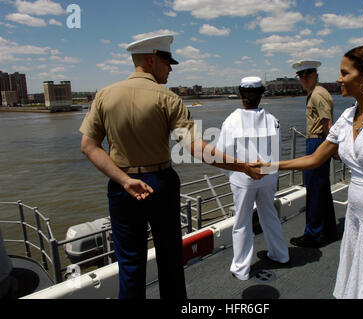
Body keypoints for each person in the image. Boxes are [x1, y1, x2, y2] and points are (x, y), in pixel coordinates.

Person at [79, 34, 261, 299]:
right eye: (167, 61)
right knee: (170, 258)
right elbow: (196, 149)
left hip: (122, 187)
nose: (171, 68)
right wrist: (242, 166)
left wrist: (124, 180)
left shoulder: (104, 96)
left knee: (129, 263)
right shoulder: (168, 99)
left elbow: (89, 146)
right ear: (152, 60)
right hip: (160, 183)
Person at [255, 45, 363, 298]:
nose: (338, 79)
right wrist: (268, 166)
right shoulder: (347, 117)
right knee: (359, 283)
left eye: (344, 73)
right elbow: (315, 159)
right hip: (357, 215)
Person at [215, 77, 290, 280]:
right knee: (270, 217)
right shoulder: (273, 120)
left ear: (240, 94)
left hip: (242, 179)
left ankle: (241, 268)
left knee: (242, 222)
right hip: (268, 176)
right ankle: (281, 254)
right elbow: (277, 153)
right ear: (261, 94)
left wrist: (233, 175)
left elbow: (222, 155)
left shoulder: (231, 121)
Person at [289, 60, 337, 248]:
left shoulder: (318, 94)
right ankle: (329, 230)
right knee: (322, 188)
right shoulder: (316, 93)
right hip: (317, 140)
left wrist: (331, 147)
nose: (304, 79)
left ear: (316, 75)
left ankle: (313, 234)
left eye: (307, 75)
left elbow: (328, 124)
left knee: (315, 188)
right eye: (301, 76)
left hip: (317, 141)